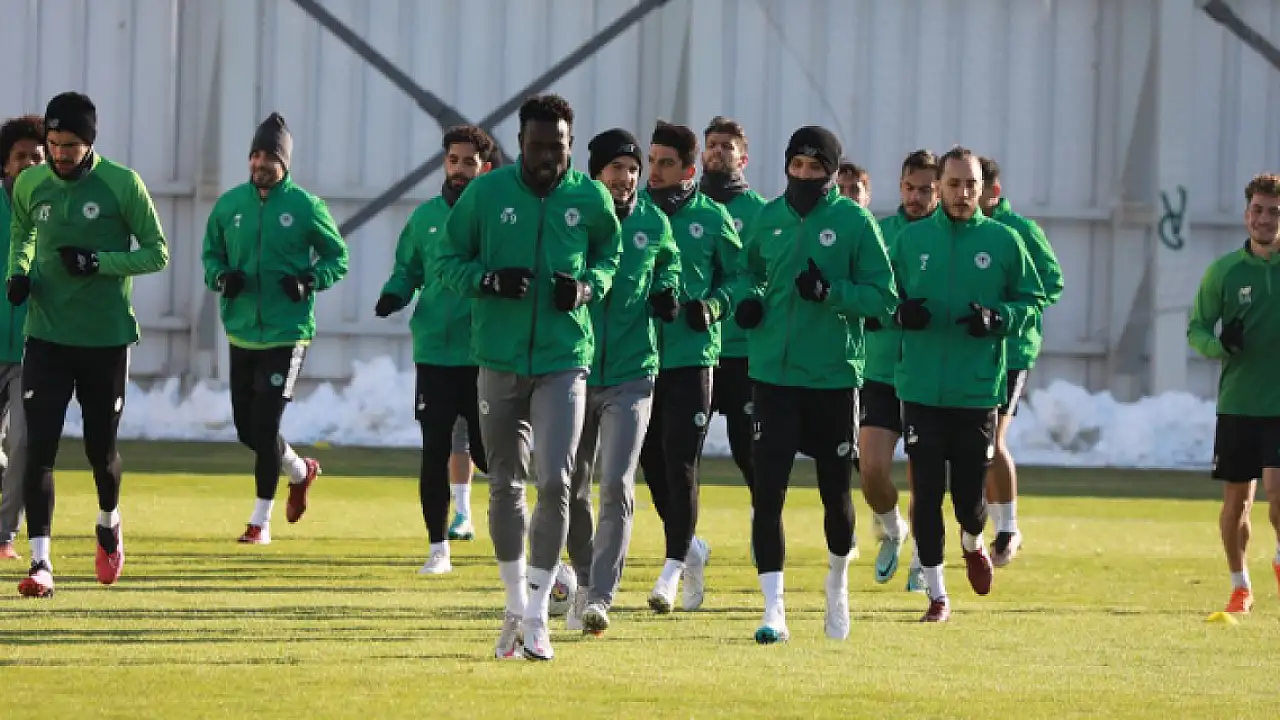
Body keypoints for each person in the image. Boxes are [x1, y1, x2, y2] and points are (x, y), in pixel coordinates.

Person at [435, 94, 621, 661]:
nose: (546, 157)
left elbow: (610, 259)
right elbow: (446, 262)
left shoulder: (590, 198)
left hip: (565, 358)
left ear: (570, 146)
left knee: (557, 481)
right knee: (504, 483)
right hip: (498, 358)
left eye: (556, 147)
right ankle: (515, 605)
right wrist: (488, 281)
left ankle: (539, 615)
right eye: (536, 146)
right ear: (519, 145)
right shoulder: (486, 194)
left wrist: (587, 288)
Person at [734, 126, 896, 643]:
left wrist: (831, 292)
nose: (804, 175)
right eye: (796, 166)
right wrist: (749, 300)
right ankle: (773, 610)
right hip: (773, 376)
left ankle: (837, 587)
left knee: (835, 492)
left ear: (832, 172)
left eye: (815, 167)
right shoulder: (767, 217)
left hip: (832, 377)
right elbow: (746, 271)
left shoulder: (854, 222)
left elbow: (883, 297)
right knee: (768, 493)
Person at [8, 92, 169, 597]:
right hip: (46, 336)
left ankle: (108, 521)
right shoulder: (31, 183)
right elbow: (22, 234)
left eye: (70, 146)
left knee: (101, 452)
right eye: (53, 144)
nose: (59, 155)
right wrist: (19, 272)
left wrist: (99, 263)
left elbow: (157, 253)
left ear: (90, 142)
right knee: (39, 449)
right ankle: (41, 564)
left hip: (105, 339)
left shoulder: (123, 185)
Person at [889, 146, 1044, 622]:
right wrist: (899, 313)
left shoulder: (1004, 241)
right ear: (939, 186)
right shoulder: (911, 241)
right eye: (953, 184)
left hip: (977, 390)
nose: (961, 193)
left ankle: (974, 542)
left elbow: (1033, 302)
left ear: (983, 188)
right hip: (920, 388)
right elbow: (881, 295)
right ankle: (937, 595)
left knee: (970, 504)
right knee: (926, 494)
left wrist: (1000, 318)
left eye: (970, 185)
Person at [202, 112, 347, 545]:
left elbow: (337, 257)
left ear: (284, 163)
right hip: (241, 331)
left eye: (270, 157)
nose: (260, 164)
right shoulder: (229, 205)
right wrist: (221, 277)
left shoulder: (305, 207)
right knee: (246, 429)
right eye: (256, 155)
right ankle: (301, 471)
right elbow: (211, 256)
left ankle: (260, 522)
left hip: (287, 333)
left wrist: (309, 280)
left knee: (265, 427)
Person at [563, 128, 681, 635]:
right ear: (596, 172)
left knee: (615, 483)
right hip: (574, 366)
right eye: (617, 167)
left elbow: (669, 264)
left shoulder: (653, 221)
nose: (627, 177)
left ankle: (601, 597)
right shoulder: (575, 216)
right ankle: (584, 577)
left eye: (633, 169)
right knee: (570, 485)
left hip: (634, 372)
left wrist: (668, 290)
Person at [375, 125, 494, 574]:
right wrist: (394, 294)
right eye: (453, 160)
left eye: (469, 162)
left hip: (484, 352)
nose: (460, 169)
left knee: (490, 454)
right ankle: (438, 548)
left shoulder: (496, 218)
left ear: (484, 167)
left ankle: (517, 536)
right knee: (434, 449)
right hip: (434, 352)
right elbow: (407, 269)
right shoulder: (424, 218)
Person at [638, 121, 742, 614]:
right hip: (638, 357)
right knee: (651, 463)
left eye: (665, 163)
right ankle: (691, 547)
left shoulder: (712, 217)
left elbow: (744, 277)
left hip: (692, 359)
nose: (654, 171)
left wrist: (715, 306)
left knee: (681, 462)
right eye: (651, 161)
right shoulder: (632, 213)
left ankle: (671, 569)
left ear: (688, 168)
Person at [1187, 172, 1280, 615]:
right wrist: (1221, 345)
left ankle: (1279, 558)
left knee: (1277, 494)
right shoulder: (1224, 272)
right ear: (1246, 215)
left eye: (1274, 212)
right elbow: (1197, 328)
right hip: (1239, 404)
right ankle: (1240, 585)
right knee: (1236, 503)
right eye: (1258, 210)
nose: (1265, 219)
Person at [977, 156, 1064, 566]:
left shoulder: (1021, 231)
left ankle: (1008, 527)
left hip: (1012, 352)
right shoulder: (962, 231)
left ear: (993, 191)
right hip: (973, 350)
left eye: (974, 187)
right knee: (975, 444)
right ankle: (990, 527)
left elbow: (1051, 282)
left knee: (992, 439)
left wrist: (1008, 312)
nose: (965, 194)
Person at [862, 150, 940, 591]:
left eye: (925, 190)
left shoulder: (946, 239)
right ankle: (894, 529)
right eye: (910, 188)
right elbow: (864, 290)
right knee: (871, 470)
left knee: (922, 478)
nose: (916, 197)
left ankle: (924, 560)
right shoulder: (879, 232)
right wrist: (883, 313)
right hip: (881, 369)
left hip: (928, 374)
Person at [697, 117, 766, 507]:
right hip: (694, 348)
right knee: (680, 452)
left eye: (727, 146)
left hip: (743, 351)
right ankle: (684, 536)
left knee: (748, 451)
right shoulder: (688, 207)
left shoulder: (761, 212)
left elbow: (768, 274)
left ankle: (764, 522)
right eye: (712, 145)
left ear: (743, 158)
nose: (718, 152)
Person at [0, 115, 44, 561]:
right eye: (20, 157)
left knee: (24, 443)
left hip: (35, 349)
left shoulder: (56, 213)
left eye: (38, 157)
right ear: (5, 164)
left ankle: (3, 536)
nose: (30, 164)